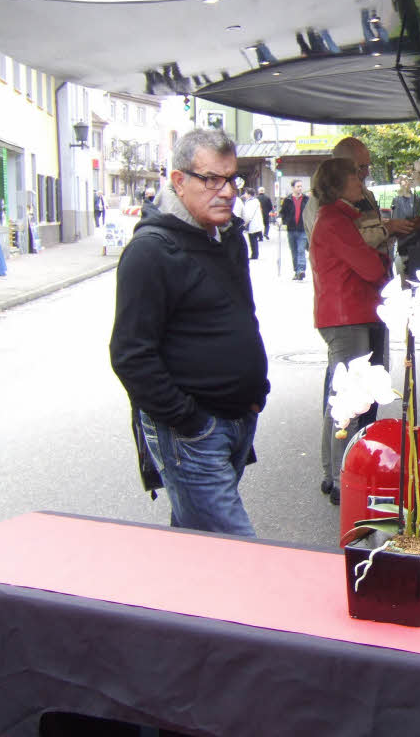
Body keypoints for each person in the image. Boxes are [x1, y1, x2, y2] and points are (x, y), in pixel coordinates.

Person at [110, 128, 269, 536]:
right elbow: (131, 354)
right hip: (193, 432)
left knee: (196, 544)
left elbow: (240, 315)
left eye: (232, 178)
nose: (228, 191)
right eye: (212, 179)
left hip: (236, 419)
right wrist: (189, 420)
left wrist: (255, 391)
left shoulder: (226, 236)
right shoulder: (151, 251)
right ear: (179, 181)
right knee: (237, 551)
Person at [310, 158, 390, 506]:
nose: (361, 181)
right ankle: (343, 479)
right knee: (350, 401)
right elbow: (370, 267)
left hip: (342, 315)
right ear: (339, 185)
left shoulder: (336, 219)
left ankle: (332, 473)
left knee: (340, 398)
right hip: (347, 317)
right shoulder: (336, 221)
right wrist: (384, 263)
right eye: (355, 177)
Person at [279, 179, 309, 280]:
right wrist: (281, 220)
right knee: (294, 251)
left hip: (302, 229)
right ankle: (297, 271)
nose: (300, 188)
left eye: (301, 186)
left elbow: (309, 212)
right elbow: (283, 212)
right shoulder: (287, 200)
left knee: (301, 250)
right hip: (291, 229)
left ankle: (301, 270)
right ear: (293, 188)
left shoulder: (306, 199)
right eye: (298, 186)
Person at [240, 187, 264, 260]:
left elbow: (249, 215)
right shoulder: (254, 201)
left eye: (245, 193)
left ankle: (254, 255)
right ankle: (255, 254)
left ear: (249, 195)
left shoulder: (251, 202)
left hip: (253, 224)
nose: (244, 195)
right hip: (255, 223)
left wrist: (245, 224)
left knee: (253, 240)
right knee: (254, 240)